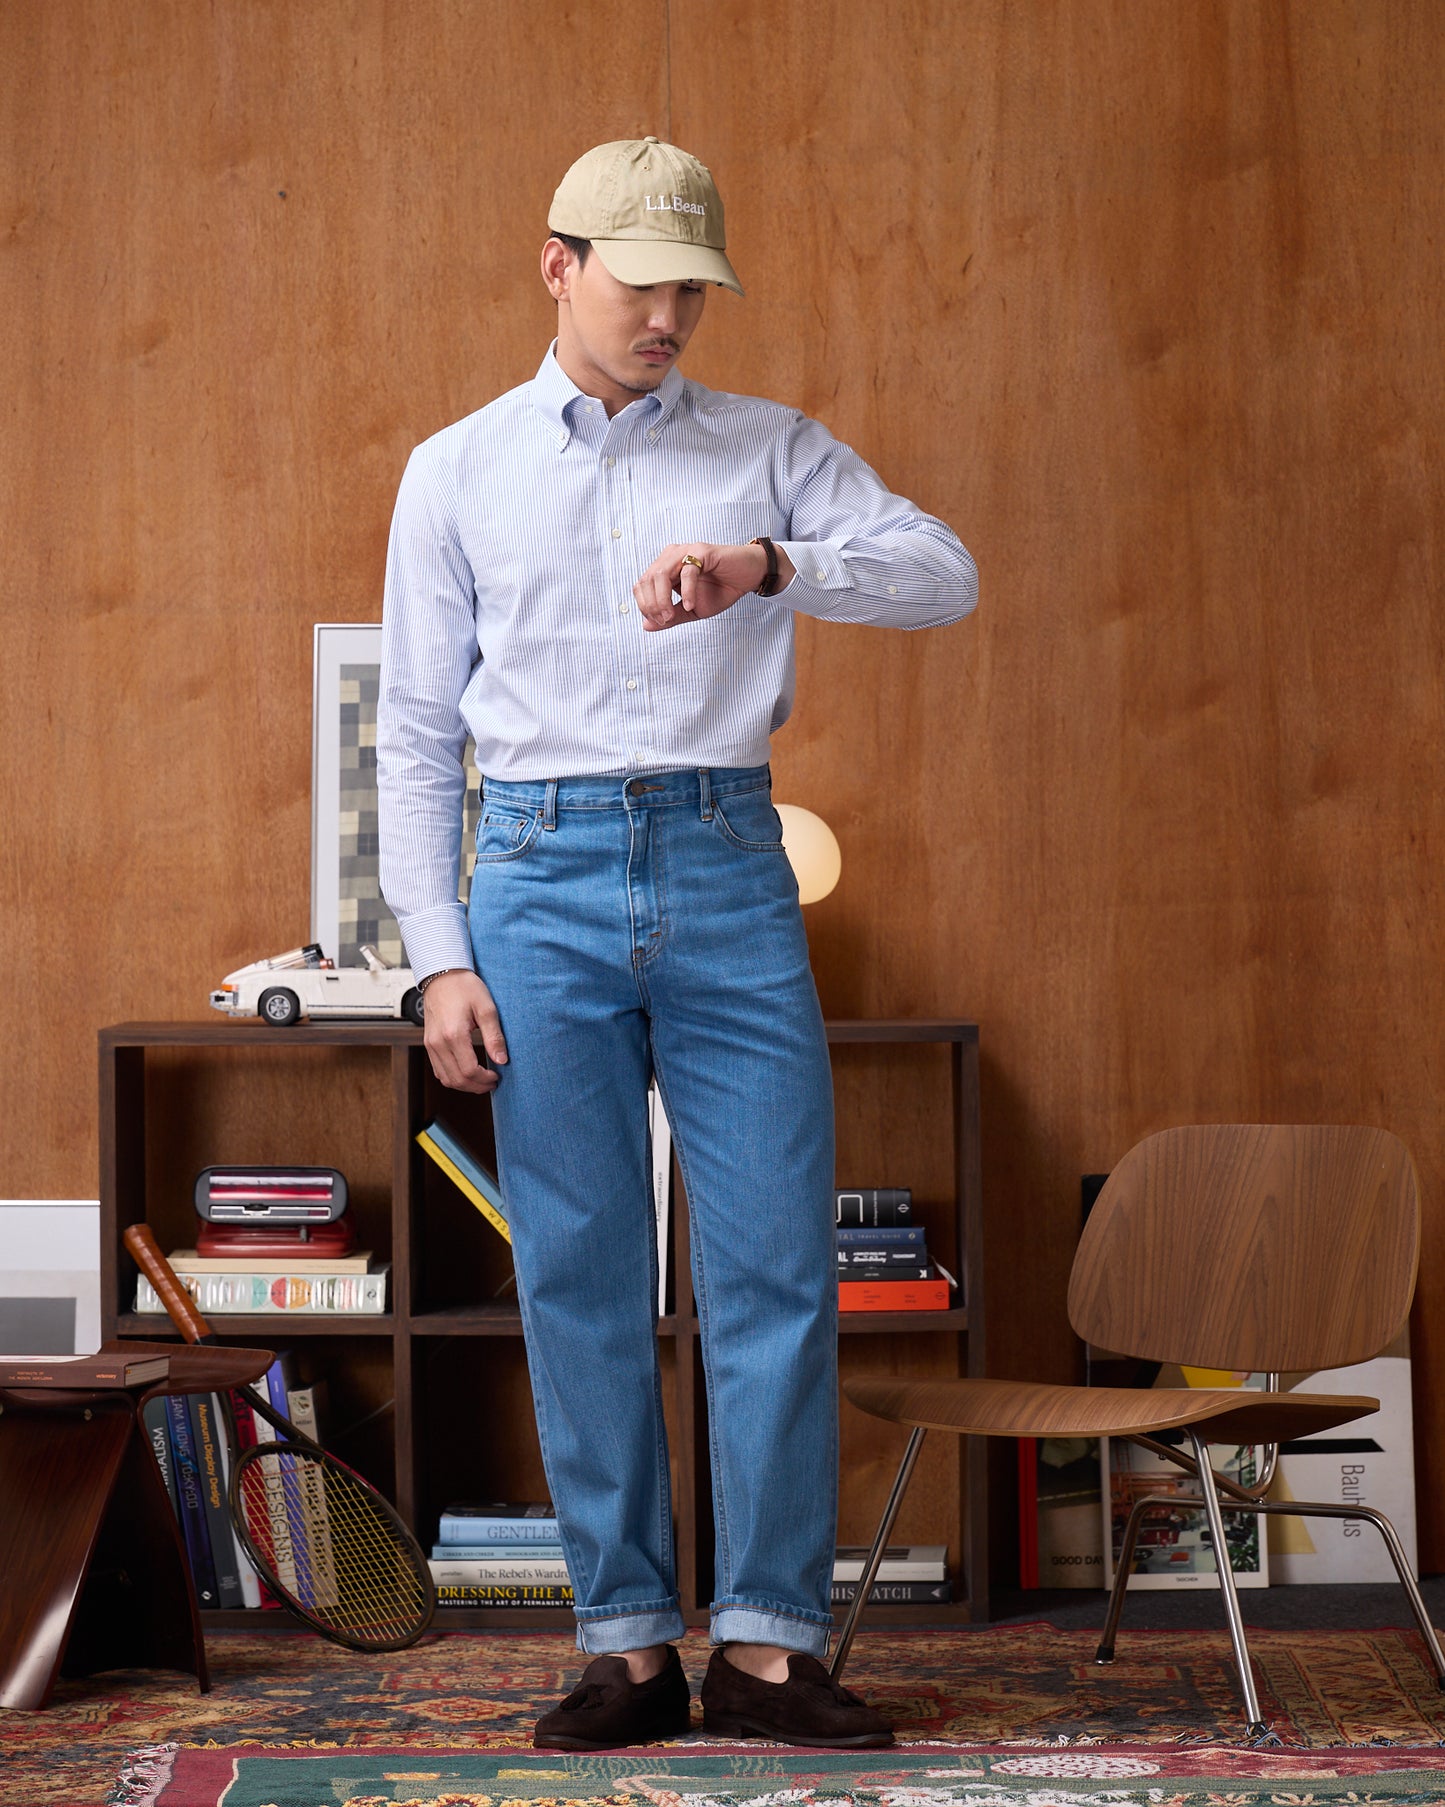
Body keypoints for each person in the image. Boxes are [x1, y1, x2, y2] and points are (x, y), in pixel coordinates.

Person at [377, 134, 977, 1750]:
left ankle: (769, 1646)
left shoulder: (771, 448)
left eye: (691, 290)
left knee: (772, 1264)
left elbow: (942, 573)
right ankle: (628, 1643)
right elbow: (418, 733)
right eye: (643, 284)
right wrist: (438, 954)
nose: (669, 319)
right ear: (556, 262)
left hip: (725, 859)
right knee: (574, 1269)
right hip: (537, 872)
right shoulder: (456, 468)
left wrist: (771, 563)